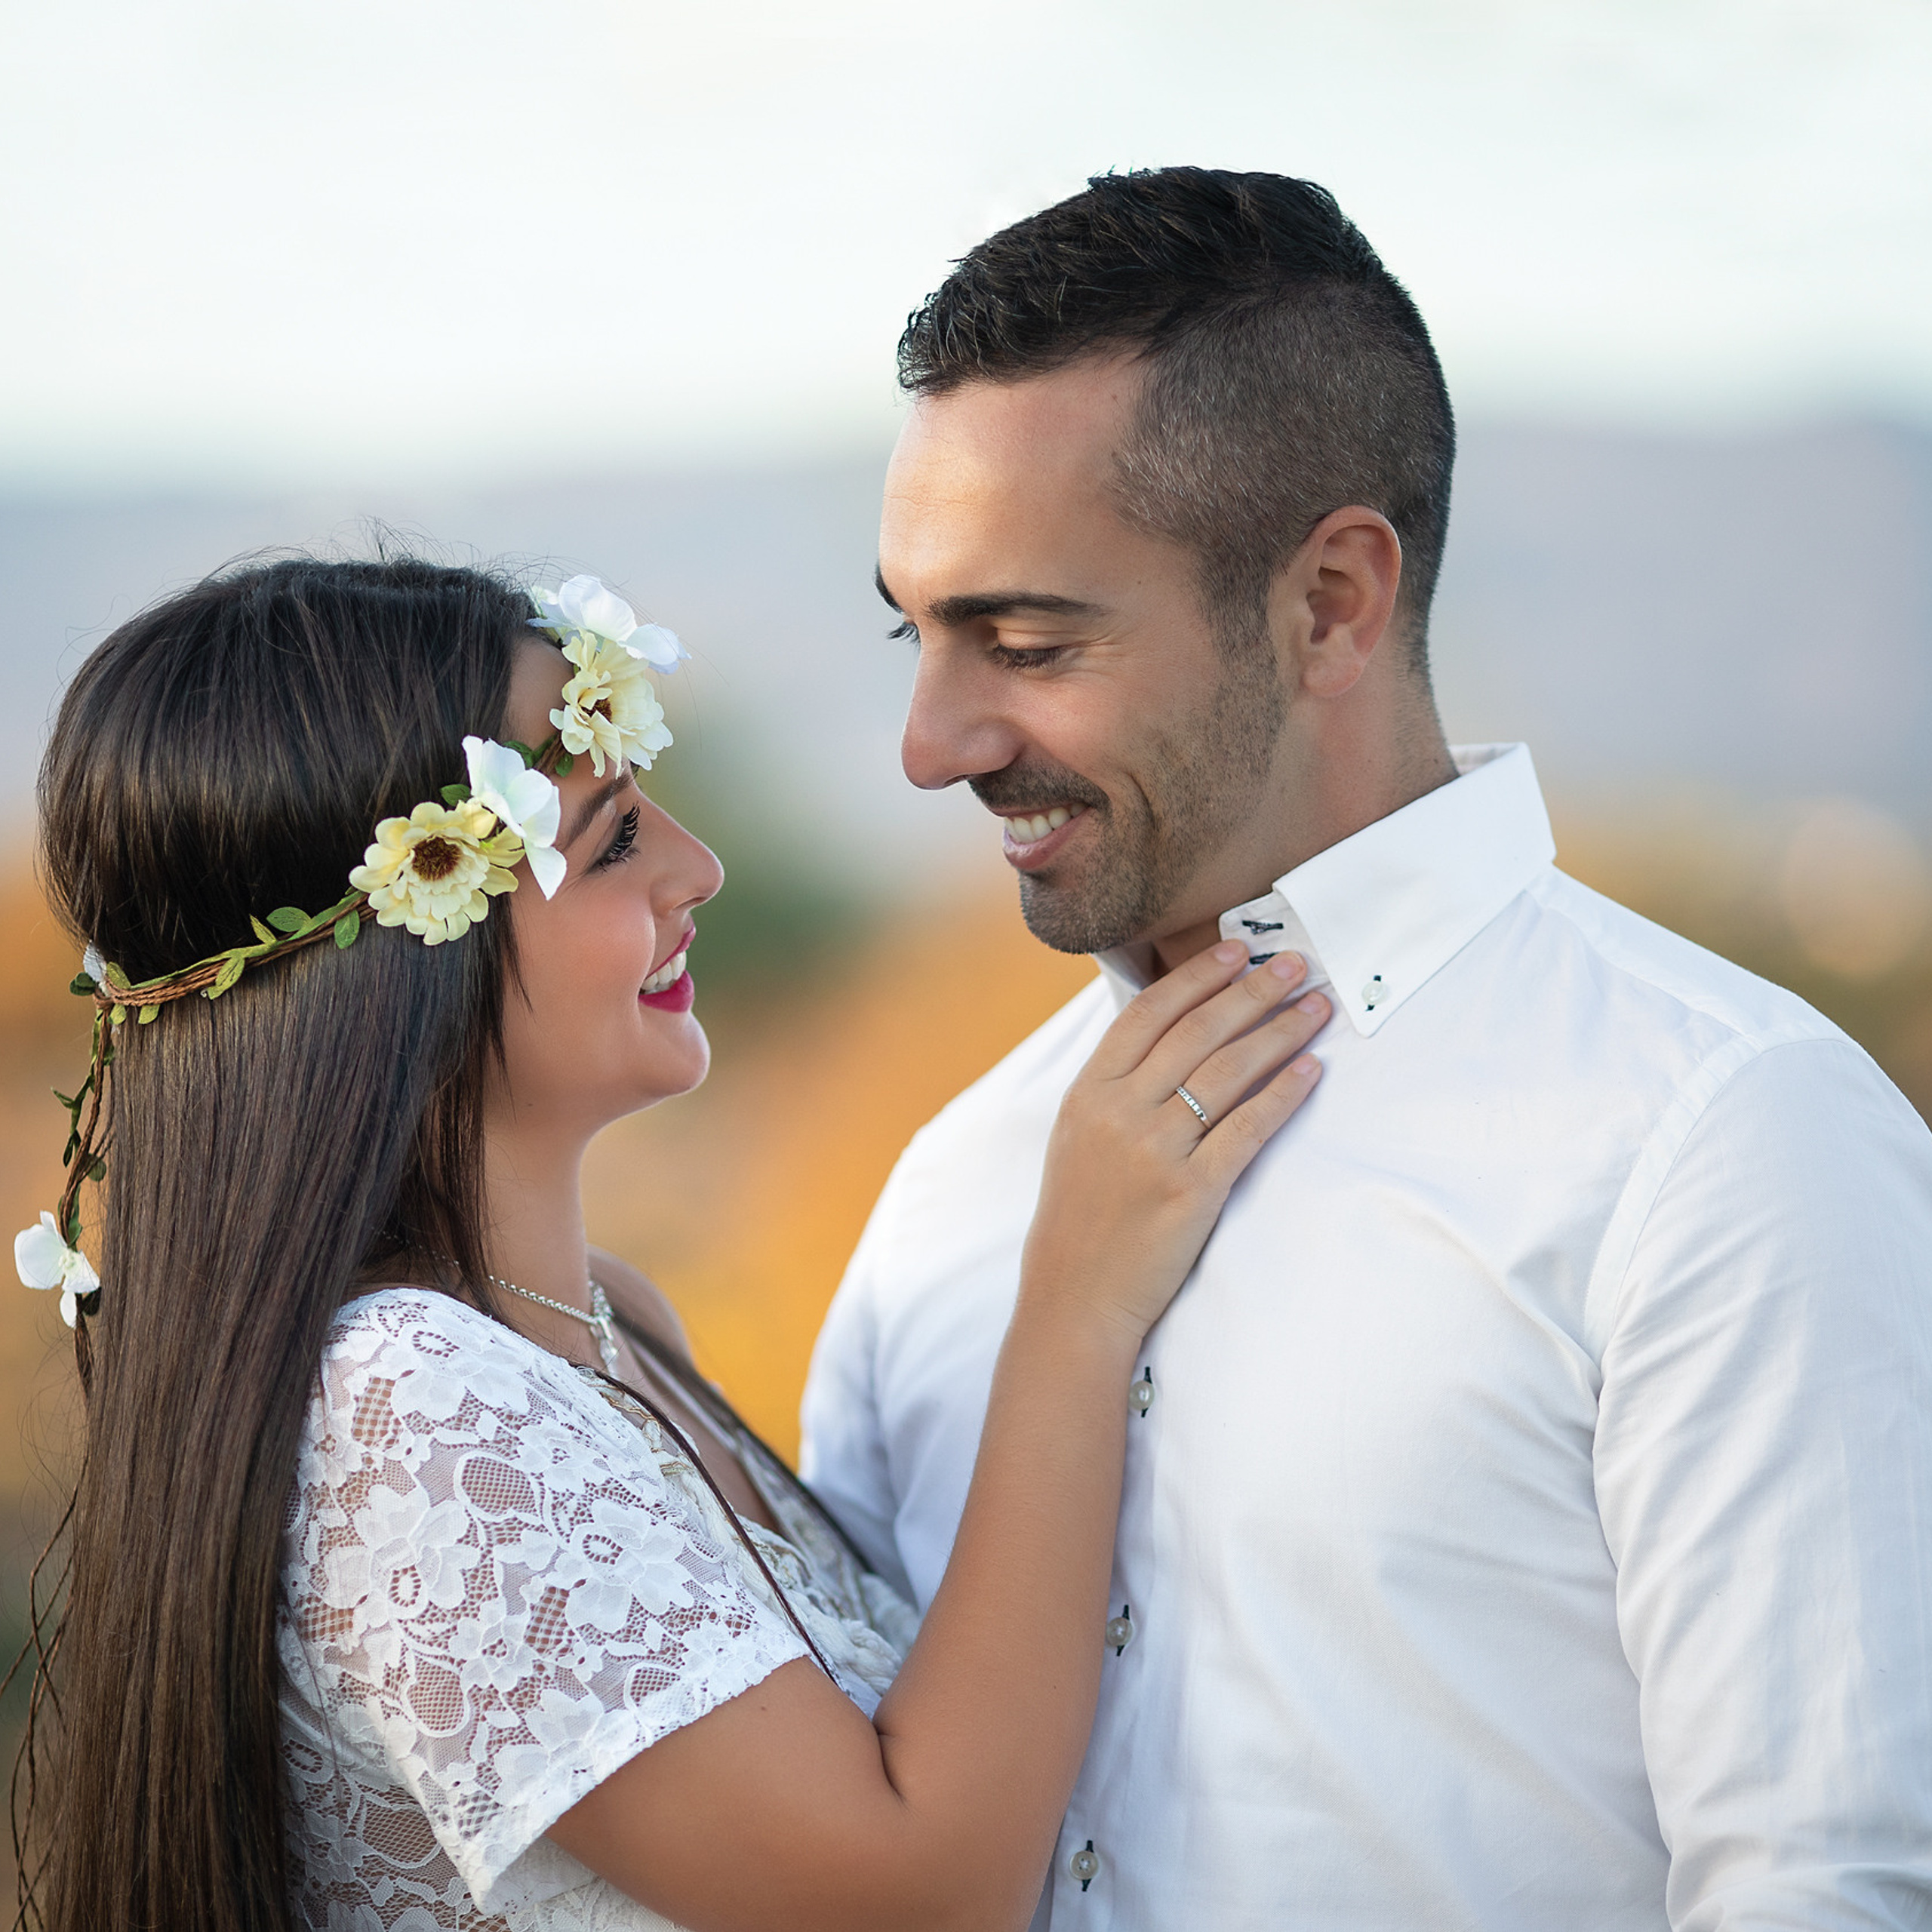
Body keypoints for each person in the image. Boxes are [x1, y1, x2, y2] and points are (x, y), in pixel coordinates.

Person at [801, 167, 1932, 1928]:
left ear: (1329, 599)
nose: (931, 742)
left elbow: (1832, 1883)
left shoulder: (1720, 1139)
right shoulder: (949, 1184)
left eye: (1023, 640)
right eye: (915, 632)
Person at [13, 555, 1331, 1932]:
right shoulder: (405, 1408)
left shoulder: (607, 1328)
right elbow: (918, 1899)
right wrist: (1078, 1299)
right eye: (615, 840)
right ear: (410, 923)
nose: (699, 869)